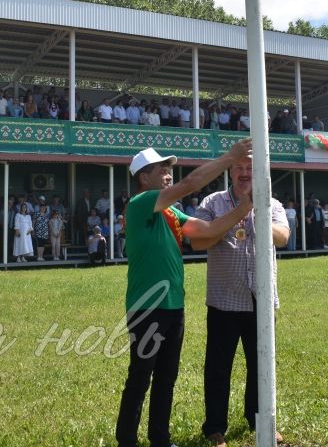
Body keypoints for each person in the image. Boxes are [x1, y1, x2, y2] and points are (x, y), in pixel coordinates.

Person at [115, 140, 254, 447]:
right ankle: (127, 440)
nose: (168, 174)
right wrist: (229, 157)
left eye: (169, 169)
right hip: (147, 307)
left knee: (166, 378)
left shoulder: (171, 214)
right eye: (161, 169)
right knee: (140, 378)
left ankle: (160, 440)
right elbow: (192, 183)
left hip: (173, 306)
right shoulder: (140, 205)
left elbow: (206, 231)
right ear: (143, 178)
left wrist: (244, 208)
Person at [190, 154, 290, 447]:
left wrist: (257, 213)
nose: (245, 173)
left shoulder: (272, 204)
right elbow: (199, 241)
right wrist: (239, 212)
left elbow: (283, 236)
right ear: (230, 171)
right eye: (240, 168)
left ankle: (259, 420)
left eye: (250, 168)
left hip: (260, 299)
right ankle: (215, 428)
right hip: (224, 299)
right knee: (218, 368)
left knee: (261, 365)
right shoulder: (212, 203)